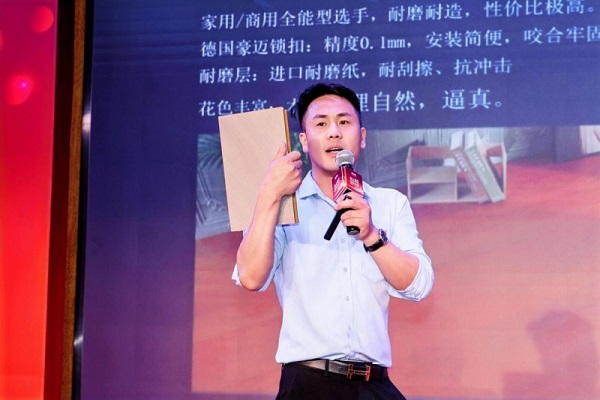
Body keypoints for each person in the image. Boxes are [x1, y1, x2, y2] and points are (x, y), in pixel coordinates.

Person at [232, 83, 434, 399]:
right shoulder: (282, 206)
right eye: (321, 123)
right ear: (303, 141)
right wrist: (269, 195)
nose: (334, 133)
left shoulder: (389, 203)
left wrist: (371, 235)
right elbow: (251, 277)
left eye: (344, 121)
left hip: (374, 383)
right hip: (308, 383)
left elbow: (419, 285)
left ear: (362, 137)